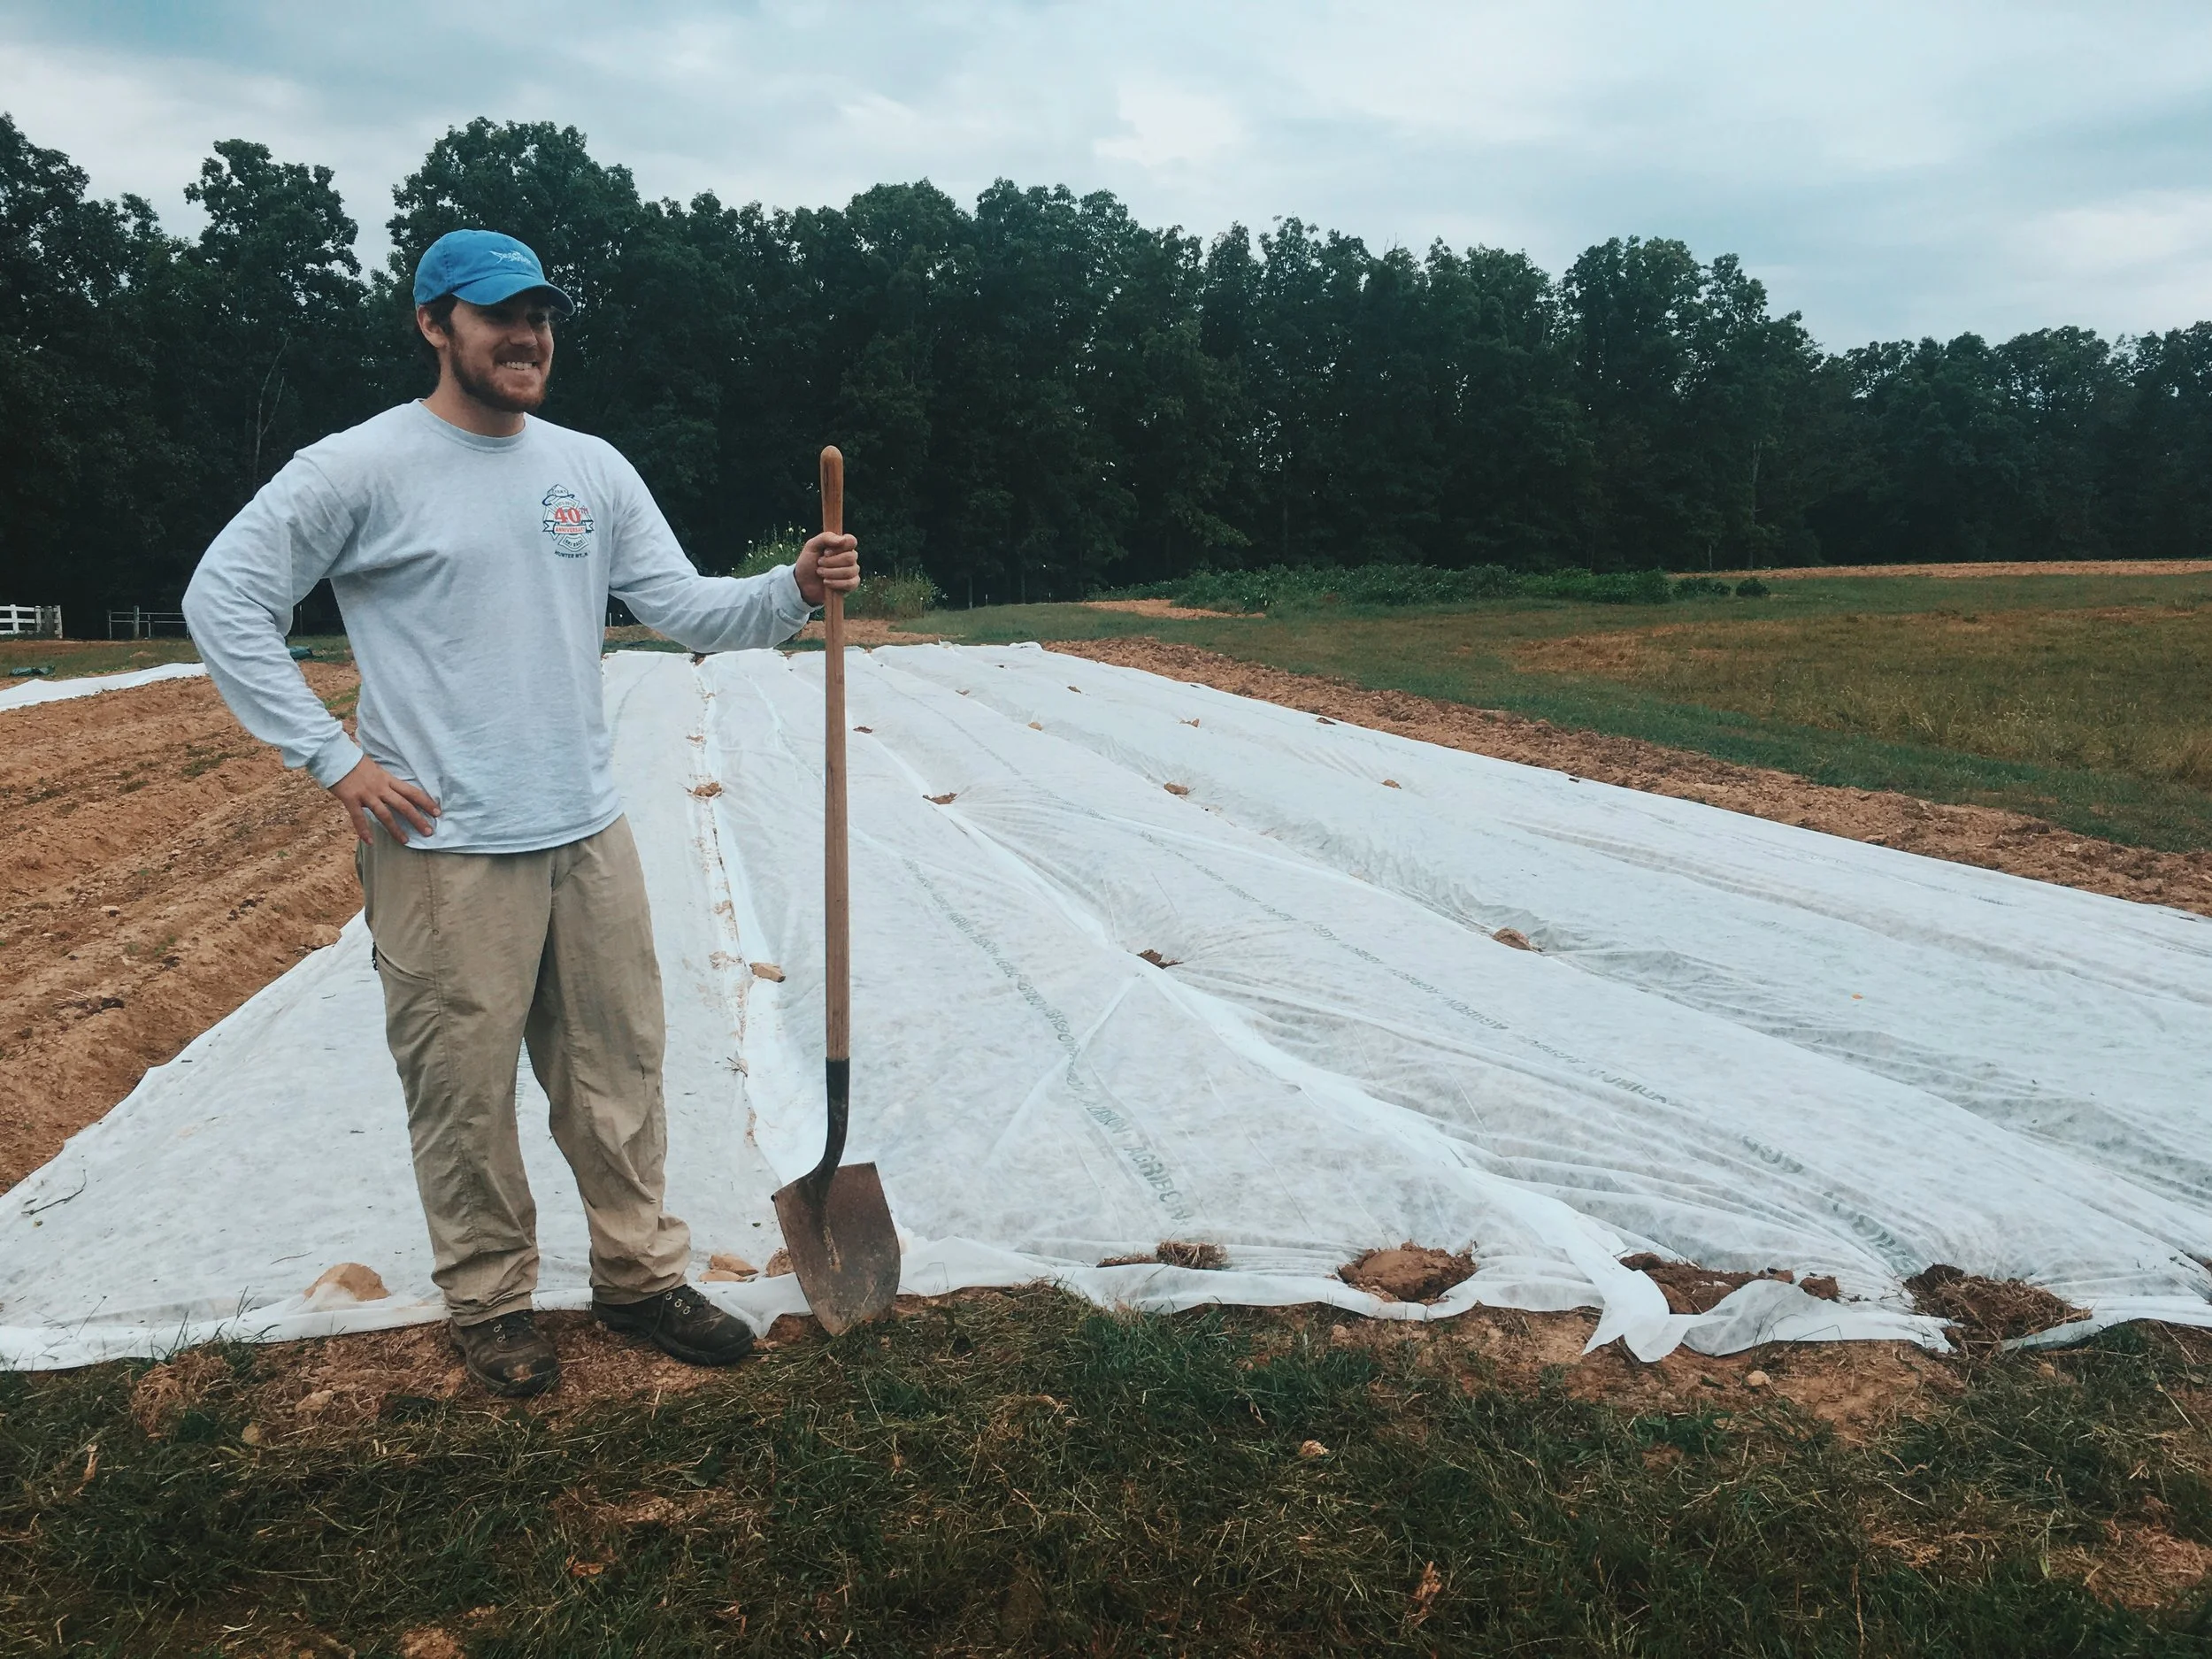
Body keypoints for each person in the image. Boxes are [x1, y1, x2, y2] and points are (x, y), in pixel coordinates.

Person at [183, 228, 860, 1397]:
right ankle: (490, 1301)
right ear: (433, 324)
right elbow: (224, 597)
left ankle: (638, 1277)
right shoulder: (359, 467)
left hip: (584, 828)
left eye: (540, 315)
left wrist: (789, 590)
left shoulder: (587, 468)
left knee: (618, 1071)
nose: (527, 335)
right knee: (463, 1089)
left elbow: (683, 606)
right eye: (499, 314)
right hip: (442, 845)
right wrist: (335, 759)